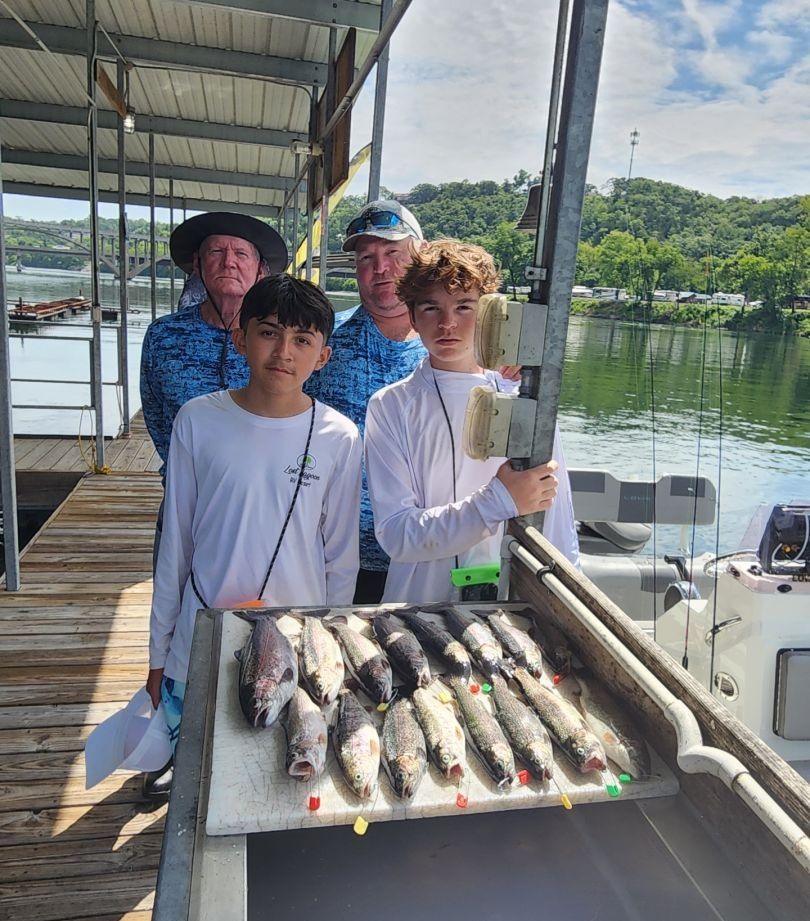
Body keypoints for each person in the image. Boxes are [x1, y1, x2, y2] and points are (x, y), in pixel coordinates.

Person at [146, 275, 361, 781]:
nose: (283, 352)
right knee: (196, 770)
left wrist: (331, 644)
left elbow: (341, 557)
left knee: (274, 775)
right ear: (241, 338)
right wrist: (158, 656)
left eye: (302, 340)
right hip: (202, 631)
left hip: (296, 644)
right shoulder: (197, 420)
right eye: (268, 332)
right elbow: (175, 546)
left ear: (323, 357)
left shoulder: (339, 436)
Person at [364, 239, 579, 604]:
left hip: (509, 603)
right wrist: (498, 500)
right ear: (412, 317)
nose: (447, 323)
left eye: (464, 306)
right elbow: (397, 535)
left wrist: (567, 601)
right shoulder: (390, 406)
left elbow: (557, 519)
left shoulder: (525, 401)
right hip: (417, 605)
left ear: (488, 313)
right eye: (431, 307)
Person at [306, 199, 427, 604]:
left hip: (425, 559)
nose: (381, 268)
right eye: (366, 258)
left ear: (422, 254)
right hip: (329, 556)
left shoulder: (455, 348)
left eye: (393, 253)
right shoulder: (319, 342)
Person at [140, 212, 288, 477]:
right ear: (198, 264)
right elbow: (155, 415)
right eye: (216, 251)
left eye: (241, 254)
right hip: (186, 486)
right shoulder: (163, 334)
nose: (228, 262)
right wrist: (187, 470)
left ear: (260, 270)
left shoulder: (282, 339)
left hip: (262, 486)